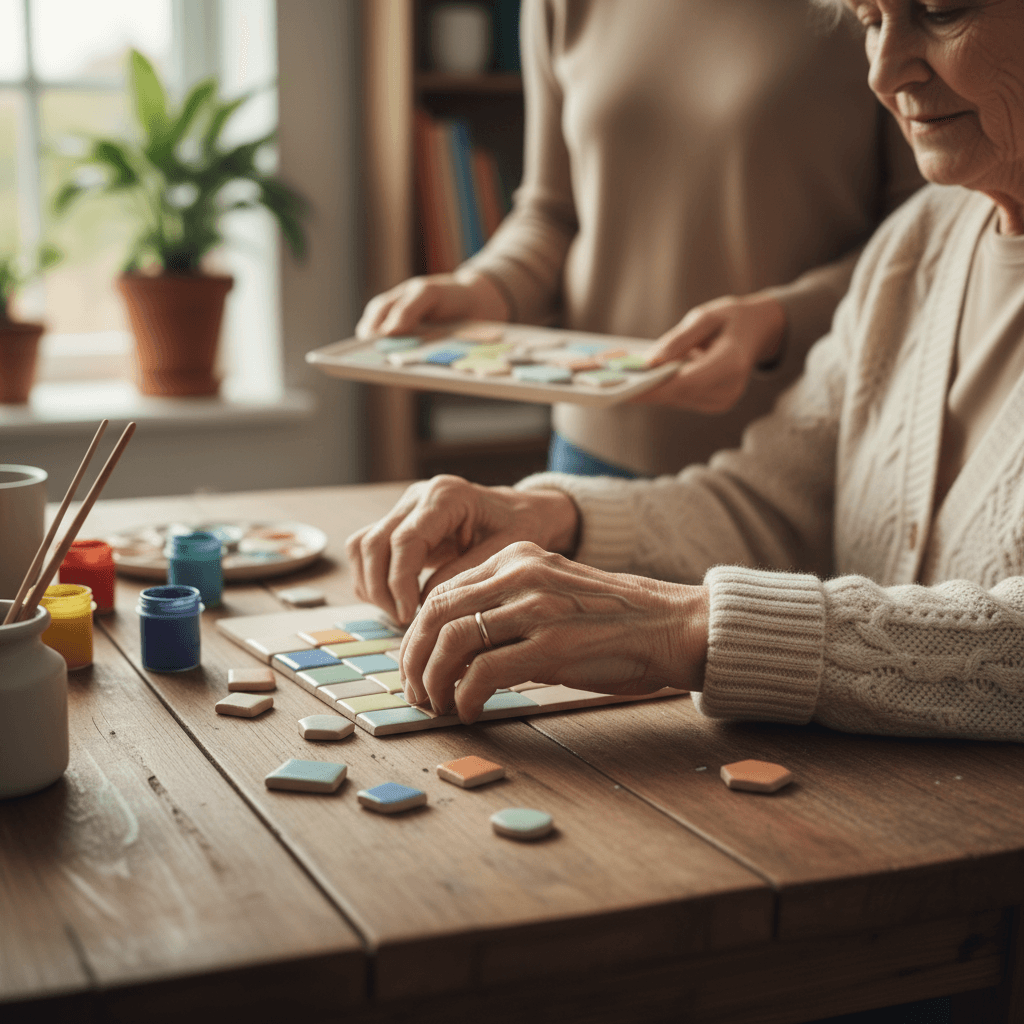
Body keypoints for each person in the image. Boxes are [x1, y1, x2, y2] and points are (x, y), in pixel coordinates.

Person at [346, 0, 1024, 745]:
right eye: (868, 20)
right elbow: (770, 502)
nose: (883, 70)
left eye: (939, 10)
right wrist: (558, 519)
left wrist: (693, 628)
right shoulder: (913, 247)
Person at [358, 0, 922, 478]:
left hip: (794, 462)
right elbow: (552, 215)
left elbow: (922, 239)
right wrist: (479, 289)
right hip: (593, 453)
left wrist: (778, 322)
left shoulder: (875, 11)